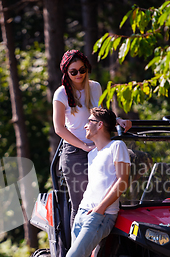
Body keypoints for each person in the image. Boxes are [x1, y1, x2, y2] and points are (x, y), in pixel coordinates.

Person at [58, 107, 131, 257]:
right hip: (83, 212)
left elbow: (122, 181)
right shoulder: (92, 154)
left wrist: (100, 209)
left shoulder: (117, 146)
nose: (85, 125)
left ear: (100, 125)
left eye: (90, 121)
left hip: (101, 215)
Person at [53, 50, 131, 228]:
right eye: (73, 72)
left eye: (82, 70)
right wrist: (83, 146)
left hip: (100, 149)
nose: (79, 74)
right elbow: (59, 128)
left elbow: (101, 116)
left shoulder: (95, 87)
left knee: (107, 200)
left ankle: (102, 251)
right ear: (66, 73)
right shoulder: (61, 94)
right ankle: (77, 253)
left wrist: (118, 120)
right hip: (75, 152)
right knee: (81, 205)